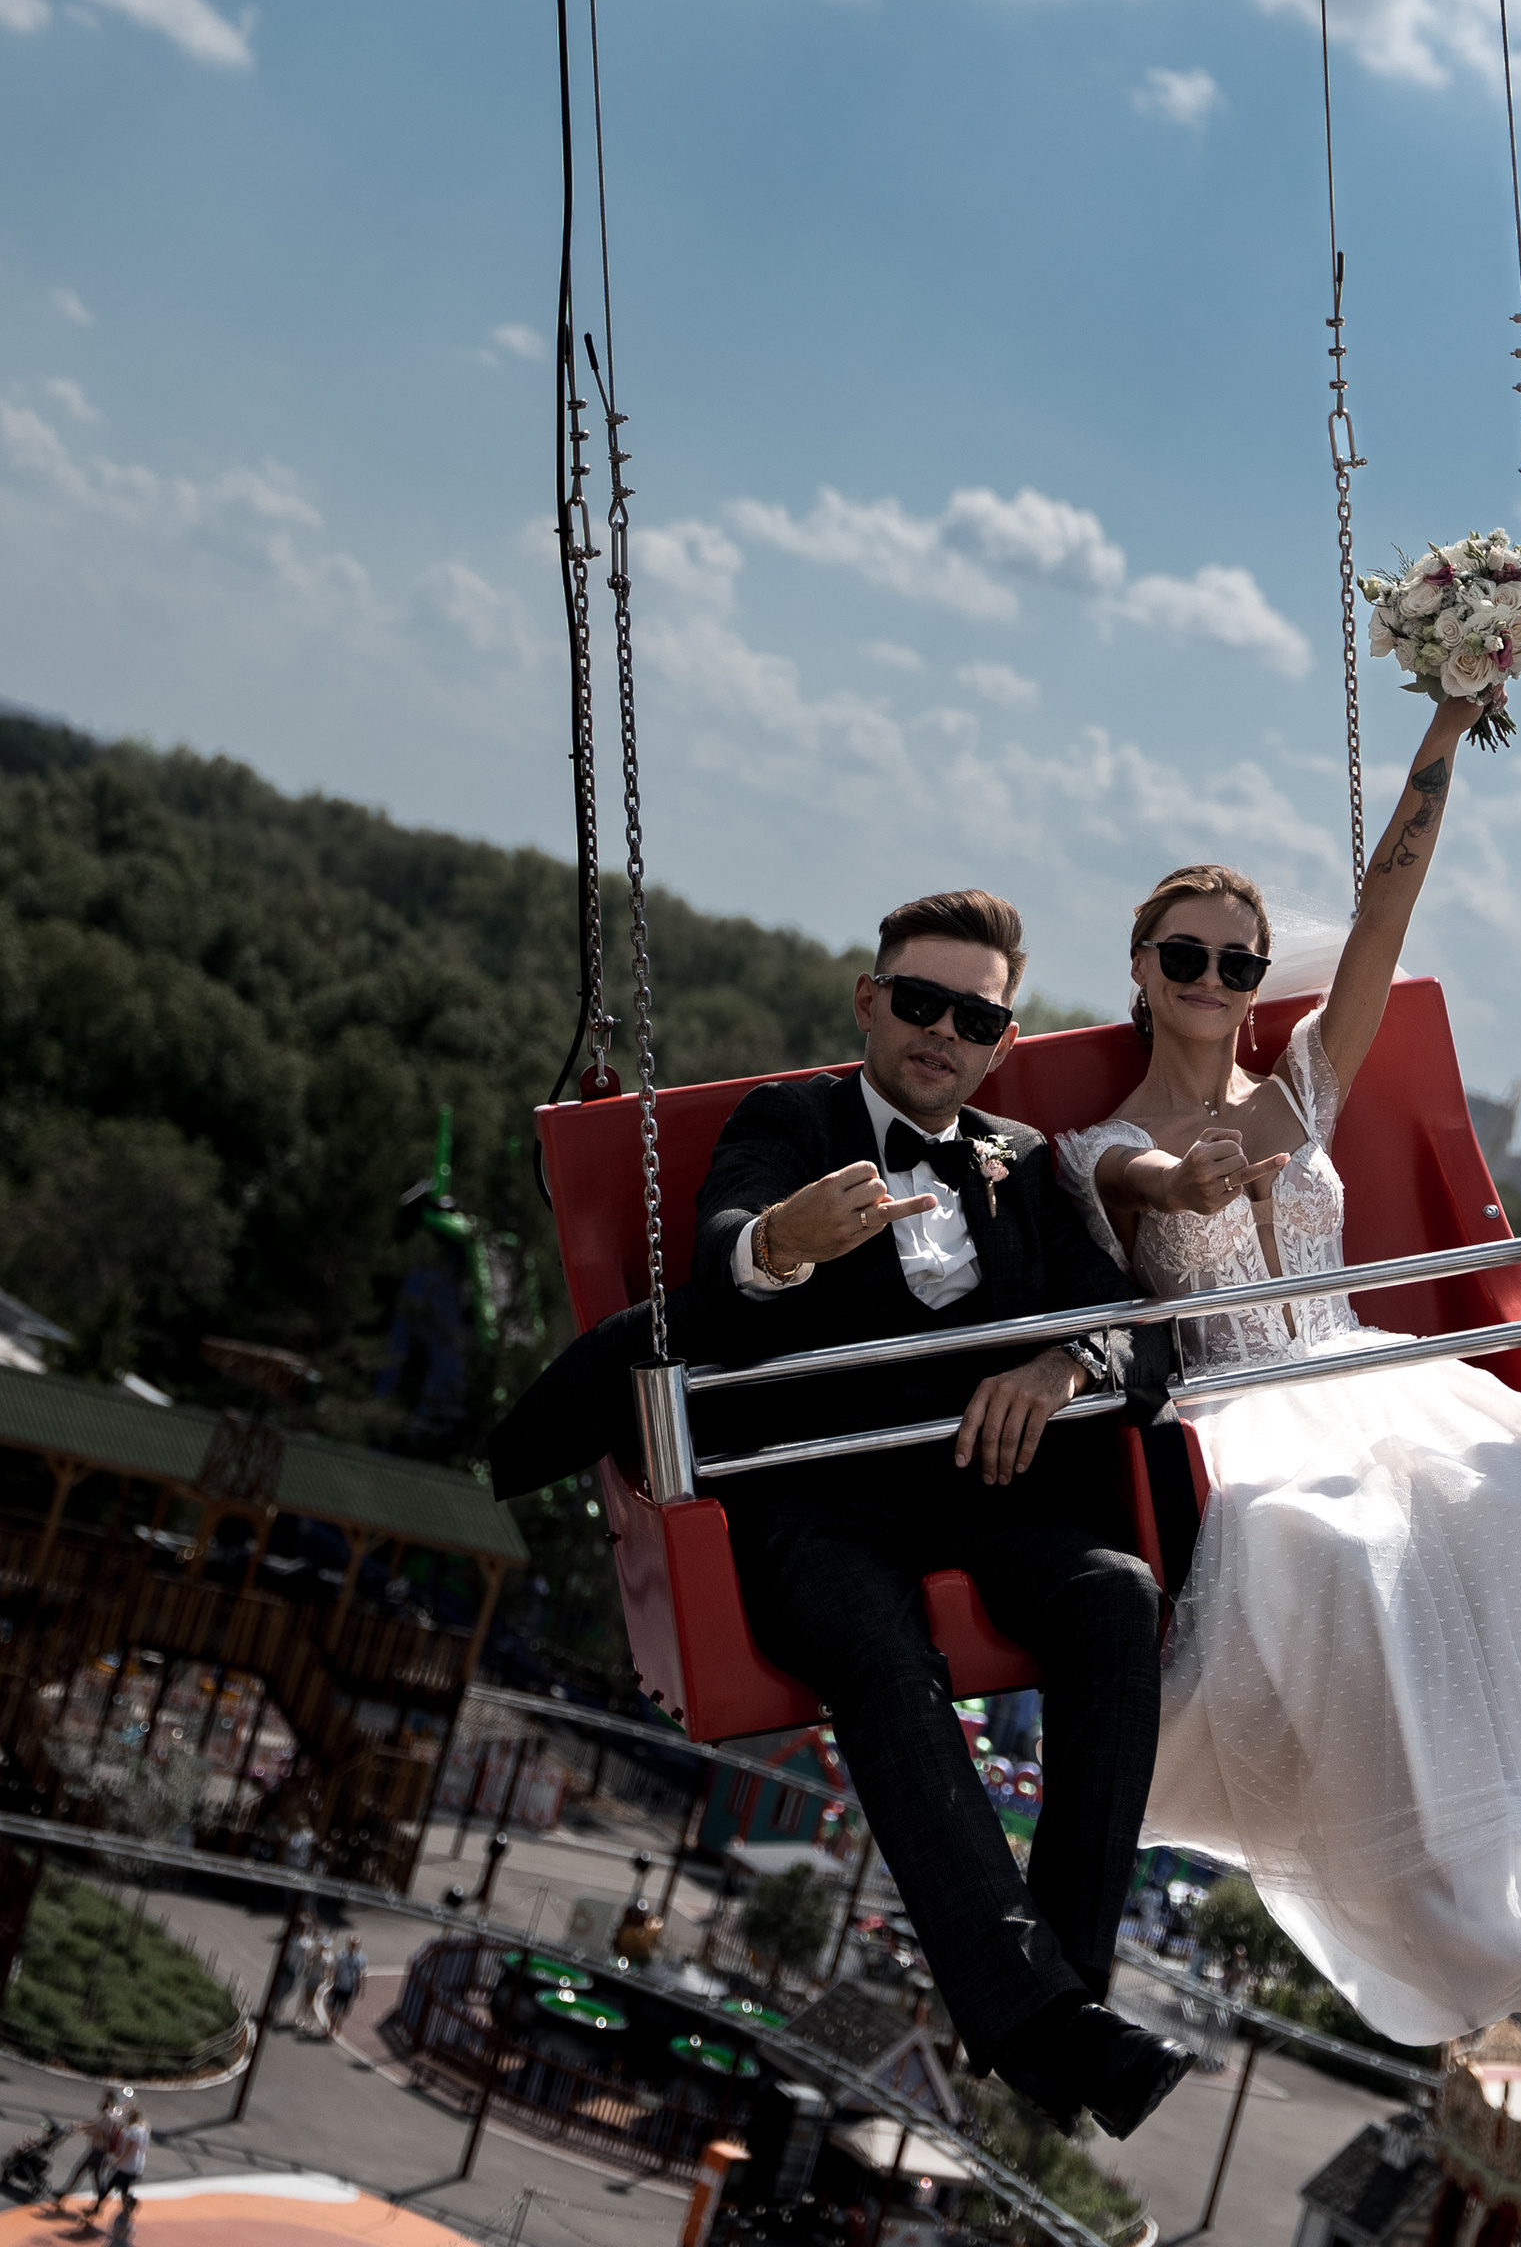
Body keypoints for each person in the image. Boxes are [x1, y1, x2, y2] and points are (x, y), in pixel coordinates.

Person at [1055, 696, 1521, 2048]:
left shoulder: (1296, 1092)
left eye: (1235, 961)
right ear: (1139, 966)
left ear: (1259, 979)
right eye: (1183, 954)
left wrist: (1440, 732)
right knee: (1333, 1543)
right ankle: (1445, 1905)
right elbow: (1133, 1180)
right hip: (1229, 1400)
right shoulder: (1098, 1145)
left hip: (1358, 1367)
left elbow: (1382, 920)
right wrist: (1170, 1174)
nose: (1210, 977)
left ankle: (1496, 1872)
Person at [490, 888, 1191, 2145]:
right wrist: (783, 1243)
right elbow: (723, 1249)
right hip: (819, 1502)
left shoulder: (1022, 1162)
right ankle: (1048, 2027)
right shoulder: (792, 1119)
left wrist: (1057, 1370)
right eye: (917, 1002)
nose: (941, 1033)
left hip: (982, 1491)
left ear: (1002, 1042)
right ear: (869, 1003)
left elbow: (1122, 1321)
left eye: (973, 1016)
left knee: (1115, 1599)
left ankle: (1056, 2010)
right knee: (879, 1659)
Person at [325, 1927, 367, 2038]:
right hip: (339, 1985)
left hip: (349, 1987)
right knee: (332, 2007)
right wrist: (331, 1981)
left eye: (355, 1944)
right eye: (351, 1943)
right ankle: (331, 2025)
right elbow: (335, 1969)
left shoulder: (360, 1958)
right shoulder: (341, 1955)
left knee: (345, 2010)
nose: (352, 1946)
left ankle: (337, 2022)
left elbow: (361, 1974)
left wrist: (360, 1988)